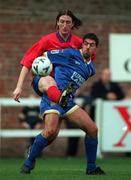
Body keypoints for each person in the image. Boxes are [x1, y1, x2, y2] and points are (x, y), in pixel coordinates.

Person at [12, 10, 99, 174]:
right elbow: (28, 61)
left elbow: (87, 59)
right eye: (62, 21)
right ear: (57, 23)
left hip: (65, 91)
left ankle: (91, 168)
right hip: (44, 81)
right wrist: (19, 86)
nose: (65, 25)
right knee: (47, 80)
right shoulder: (48, 40)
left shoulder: (79, 43)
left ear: (72, 24)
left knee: (51, 134)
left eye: (68, 22)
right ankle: (61, 98)